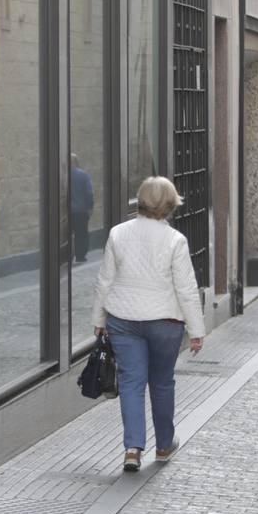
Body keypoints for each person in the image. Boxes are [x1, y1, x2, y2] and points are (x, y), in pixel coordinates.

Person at [92, 176, 205, 472]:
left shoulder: (118, 233)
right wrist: (196, 331)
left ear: (140, 200)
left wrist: (98, 320)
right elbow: (186, 289)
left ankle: (132, 448)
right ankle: (165, 445)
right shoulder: (175, 241)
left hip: (124, 320)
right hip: (165, 322)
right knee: (162, 381)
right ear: (170, 205)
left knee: (131, 383)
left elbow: (105, 280)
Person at [70, 154, 95, 263]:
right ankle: (80, 256)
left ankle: (68, 256)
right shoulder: (83, 175)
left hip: (66, 212)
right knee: (81, 234)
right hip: (81, 211)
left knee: (67, 236)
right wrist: (90, 208)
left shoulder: (62, 175)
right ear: (76, 162)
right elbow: (89, 193)